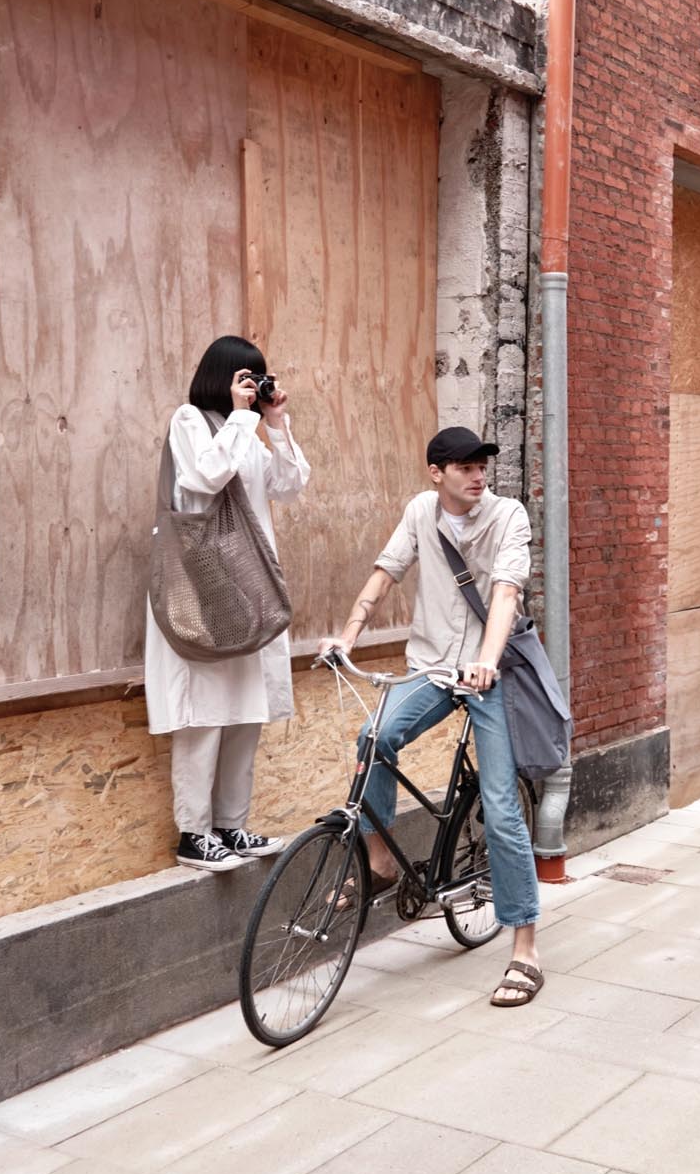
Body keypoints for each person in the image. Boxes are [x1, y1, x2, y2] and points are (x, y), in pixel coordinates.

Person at [322, 426, 543, 1007]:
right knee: (374, 738)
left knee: (500, 808)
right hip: (432, 667)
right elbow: (385, 573)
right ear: (436, 473)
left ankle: (525, 949)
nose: (478, 476)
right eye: (465, 467)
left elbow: (506, 593)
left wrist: (487, 662)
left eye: (482, 466)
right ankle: (379, 862)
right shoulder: (421, 511)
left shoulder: (509, 516)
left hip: (488, 673)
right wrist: (347, 637)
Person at [146, 335, 311, 870]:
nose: (254, 386)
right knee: (204, 714)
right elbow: (205, 476)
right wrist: (241, 417)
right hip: (204, 586)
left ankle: (230, 825)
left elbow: (289, 486)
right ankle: (193, 834)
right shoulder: (189, 421)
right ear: (222, 377)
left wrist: (275, 422)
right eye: (246, 377)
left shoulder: (249, 433)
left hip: (249, 588)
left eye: (259, 377)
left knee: (245, 712)